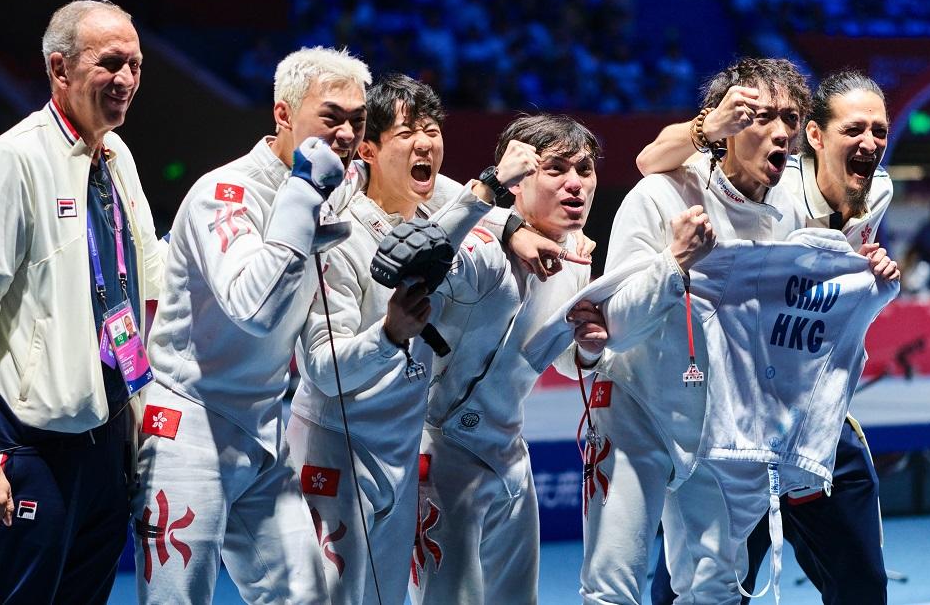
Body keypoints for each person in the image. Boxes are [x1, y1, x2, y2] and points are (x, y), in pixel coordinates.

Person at [639, 70, 897, 605]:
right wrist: (708, 127)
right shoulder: (769, 186)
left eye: (880, 130)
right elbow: (648, 162)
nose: (870, 143)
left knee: (863, 585)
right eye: (855, 130)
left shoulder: (880, 192)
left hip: (815, 421)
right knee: (698, 585)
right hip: (736, 420)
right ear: (816, 138)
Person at [0, 0, 165, 603]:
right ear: (59, 69)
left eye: (136, 65)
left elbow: (149, 275)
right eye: (111, 63)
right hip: (33, 448)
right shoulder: (13, 161)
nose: (126, 80)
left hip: (108, 443)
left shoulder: (119, 157)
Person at [287, 74, 539, 605]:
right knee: (326, 600)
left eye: (432, 129)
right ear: (370, 149)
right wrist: (386, 336)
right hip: (337, 445)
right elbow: (320, 368)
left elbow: (475, 210)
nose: (425, 142)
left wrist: (518, 226)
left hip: (400, 450)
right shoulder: (338, 229)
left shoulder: (436, 200)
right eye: (407, 132)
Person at [131, 46, 370, 603]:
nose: (345, 136)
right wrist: (303, 192)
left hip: (265, 429)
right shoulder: (226, 194)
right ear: (283, 115)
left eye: (357, 122)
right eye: (330, 117)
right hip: (188, 427)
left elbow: (415, 183)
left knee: (308, 594)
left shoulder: (341, 181)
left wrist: (508, 228)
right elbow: (254, 309)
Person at [576, 57, 812, 604]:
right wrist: (675, 262)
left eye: (790, 118)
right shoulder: (661, 195)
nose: (779, 132)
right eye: (760, 116)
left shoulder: (795, 208)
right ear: (726, 127)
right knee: (613, 589)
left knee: (717, 590)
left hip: (727, 422)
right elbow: (619, 327)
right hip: (637, 408)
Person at [411, 113, 605, 604]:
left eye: (584, 170)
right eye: (557, 168)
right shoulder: (477, 247)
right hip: (439, 450)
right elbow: (425, 210)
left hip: (510, 453)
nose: (575, 183)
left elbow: (559, 361)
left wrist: (587, 346)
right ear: (518, 179)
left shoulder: (576, 256)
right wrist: (502, 221)